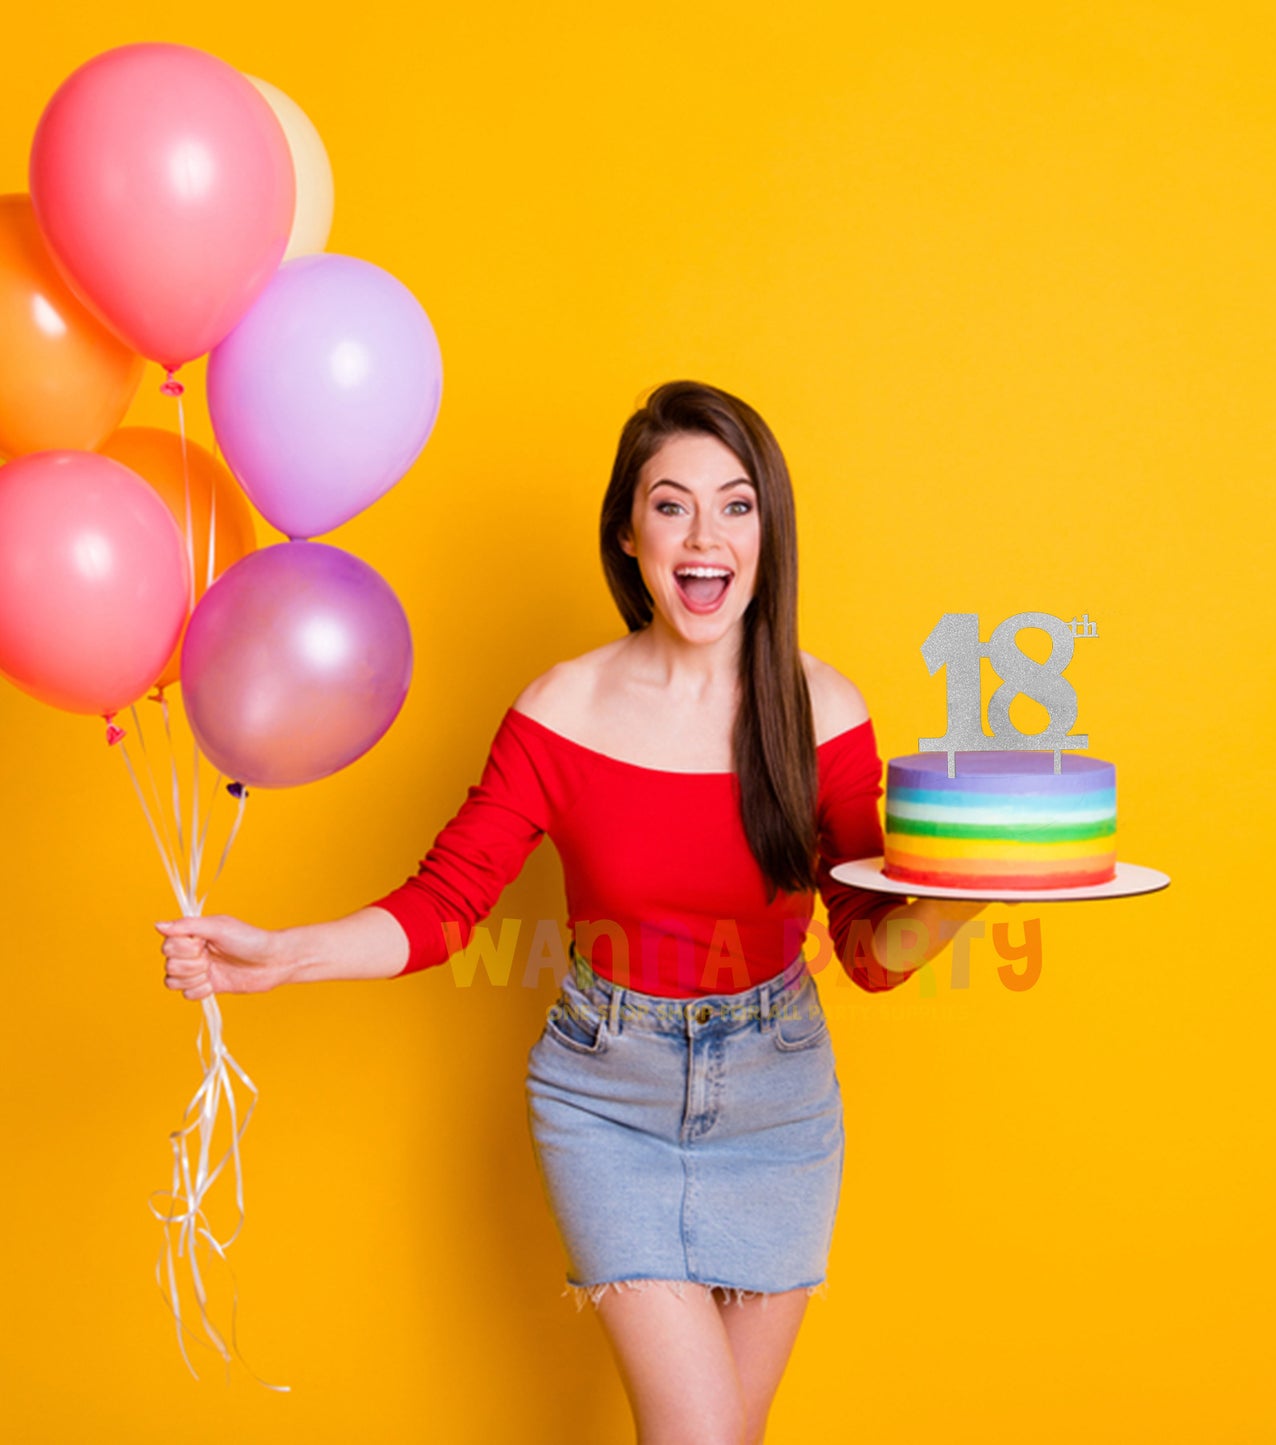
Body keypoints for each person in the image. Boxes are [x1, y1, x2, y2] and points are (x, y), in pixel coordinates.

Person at [157, 380, 988, 1445]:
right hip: (609, 1095)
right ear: (628, 531)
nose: (705, 535)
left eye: (736, 505)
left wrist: (966, 901)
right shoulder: (562, 709)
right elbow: (449, 904)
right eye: (671, 503)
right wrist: (282, 953)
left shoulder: (822, 709)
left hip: (778, 1099)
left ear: (768, 531)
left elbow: (870, 953)